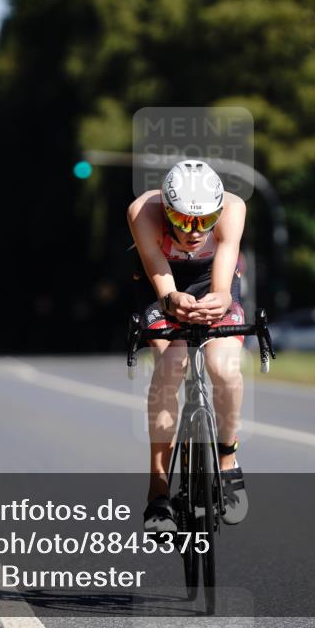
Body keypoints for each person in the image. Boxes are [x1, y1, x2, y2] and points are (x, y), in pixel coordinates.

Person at [127, 160, 248, 532]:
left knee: (224, 367)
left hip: (213, 281)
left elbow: (224, 277)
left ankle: (227, 462)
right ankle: (158, 491)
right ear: (166, 210)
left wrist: (222, 298)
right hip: (162, 282)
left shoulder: (234, 207)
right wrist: (170, 299)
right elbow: (156, 269)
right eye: (182, 221)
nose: (194, 232)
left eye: (204, 220)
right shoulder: (142, 211)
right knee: (172, 366)